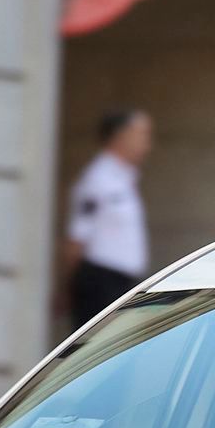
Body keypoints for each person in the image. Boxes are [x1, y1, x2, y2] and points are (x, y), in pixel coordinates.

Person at [65, 108, 153, 329]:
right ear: (120, 136)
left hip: (122, 283)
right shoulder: (98, 178)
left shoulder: (125, 178)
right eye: (141, 134)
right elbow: (77, 238)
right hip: (100, 282)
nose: (147, 144)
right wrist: (67, 286)